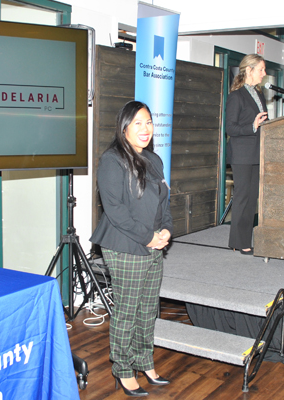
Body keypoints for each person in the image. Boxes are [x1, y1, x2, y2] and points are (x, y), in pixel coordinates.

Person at [90, 101, 173, 397]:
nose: (145, 128)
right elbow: (115, 210)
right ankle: (123, 368)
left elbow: (164, 201)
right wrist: (148, 237)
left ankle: (144, 360)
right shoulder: (112, 160)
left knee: (149, 308)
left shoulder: (154, 160)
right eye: (138, 123)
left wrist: (166, 230)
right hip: (124, 245)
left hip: (152, 242)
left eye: (149, 122)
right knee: (128, 309)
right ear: (124, 127)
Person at [225, 54, 268, 255]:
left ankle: (243, 239)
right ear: (249, 70)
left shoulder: (258, 95)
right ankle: (239, 241)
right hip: (242, 155)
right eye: (261, 69)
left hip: (257, 153)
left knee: (252, 199)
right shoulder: (236, 96)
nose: (264, 73)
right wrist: (253, 125)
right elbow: (230, 128)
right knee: (242, 198)